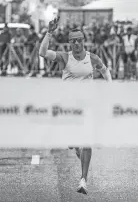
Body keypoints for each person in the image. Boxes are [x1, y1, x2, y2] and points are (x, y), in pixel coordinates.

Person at [39, 17, 112, 195]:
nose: (76, 43)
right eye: (73, 41)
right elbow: (42, 53)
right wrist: (49, 33)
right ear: (70, 43)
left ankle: (83, 180)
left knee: (87, 142)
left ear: (83, 41)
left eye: (79, 40)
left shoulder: (92, 58)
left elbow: (104, 70)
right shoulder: (65, 57)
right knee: (73, 142)